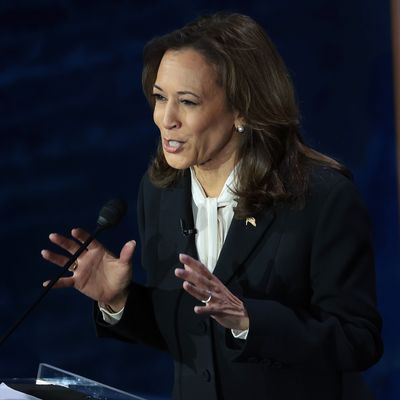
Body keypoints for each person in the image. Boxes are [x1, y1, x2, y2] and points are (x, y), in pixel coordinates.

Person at [41, 12, 383, 400]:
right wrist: (120, 300)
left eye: (187, 101)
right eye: (159, 97)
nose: (165, 119)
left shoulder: (321, 197)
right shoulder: (160, 192)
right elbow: (196, 338)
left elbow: (358, 341)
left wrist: (248, 320)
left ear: (243, 110)